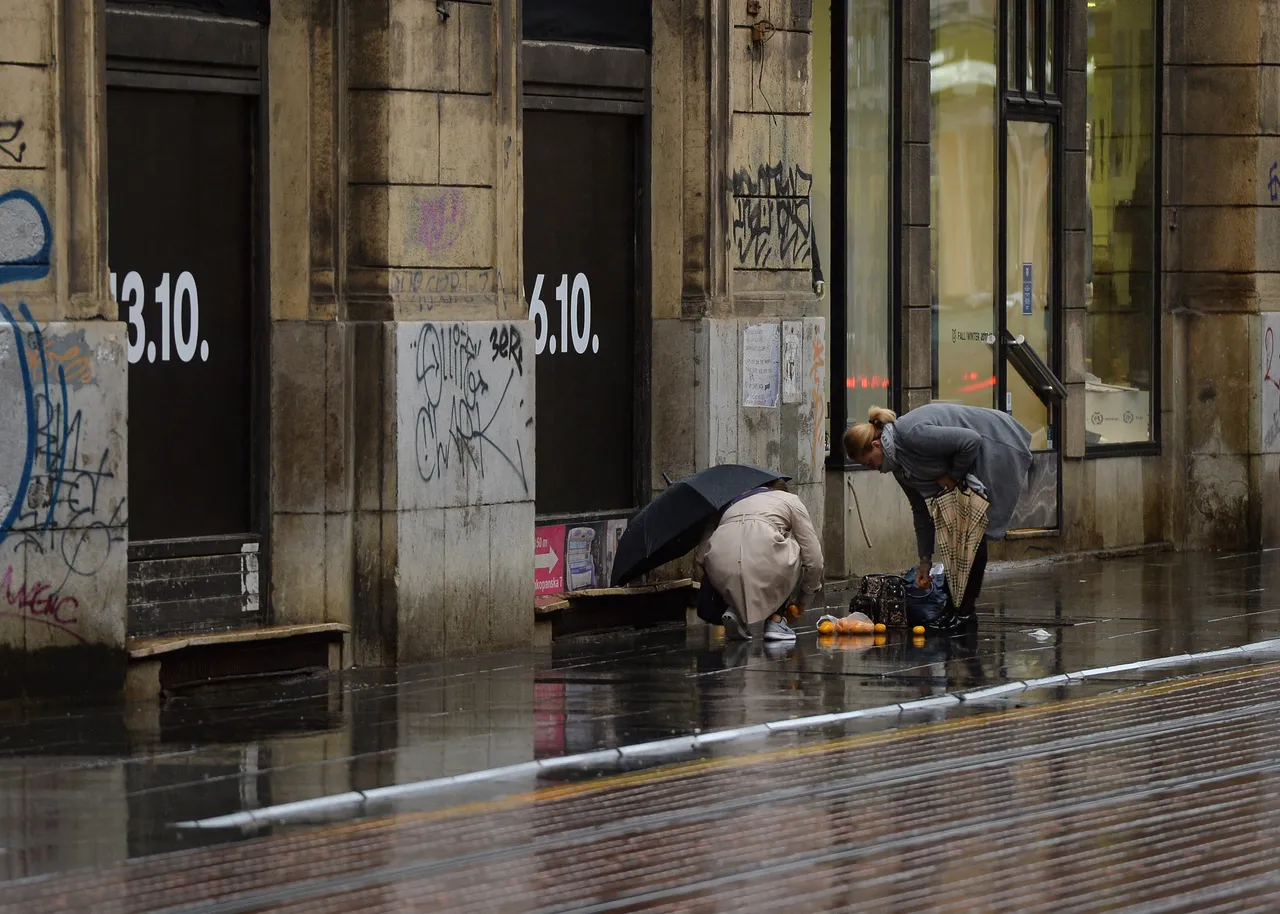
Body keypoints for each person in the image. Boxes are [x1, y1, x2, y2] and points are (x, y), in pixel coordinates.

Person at [843, 404, 1032, 630]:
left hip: (996, 443)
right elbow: (920, 512)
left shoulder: (910, 435)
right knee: (962, 532)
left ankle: (964, 613)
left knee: (972, 533)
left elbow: (971, 441)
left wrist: (952, 477)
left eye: (868, 462)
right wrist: (925, 561)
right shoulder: (900, 467)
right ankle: (959, 610)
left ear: (876, 445)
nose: (871, 468)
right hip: (969, 458)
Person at [696, 479, 824, 642]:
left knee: (731, 559)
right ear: (782, 491)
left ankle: (734, 610)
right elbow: (815, 560)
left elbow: (701, 556)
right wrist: (803, 601)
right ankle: (776, 621)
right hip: (766, 561)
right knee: (796, 548)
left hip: (722, 565)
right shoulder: (791, 500)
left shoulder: (729, 504)